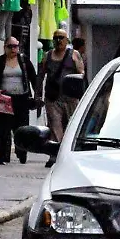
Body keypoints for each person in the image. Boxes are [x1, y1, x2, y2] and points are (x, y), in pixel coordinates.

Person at [0, 37, 39, 164]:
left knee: (21, 128)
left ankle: (22, 153)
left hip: (22, 98)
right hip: (4, 99)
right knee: (3, 128)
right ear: (5, 47)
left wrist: (37, 95)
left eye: (15, 46)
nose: (13, 49)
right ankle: (3, 157)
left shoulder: (24, 61)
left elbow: (34, 78)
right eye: (10, 46)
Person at [38, 29, 84, 167]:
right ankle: (55, 154)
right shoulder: (48, 55)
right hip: (53, 97)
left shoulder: (74, 55)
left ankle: (70, 153)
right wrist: (37, 94)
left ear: (66, 40)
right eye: (56, 38)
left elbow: (81, 73)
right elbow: (41, 75)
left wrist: (80, 91)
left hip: (70, 97)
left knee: (72, 125)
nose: (58, 41)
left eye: (61, 38)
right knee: (54, 125)